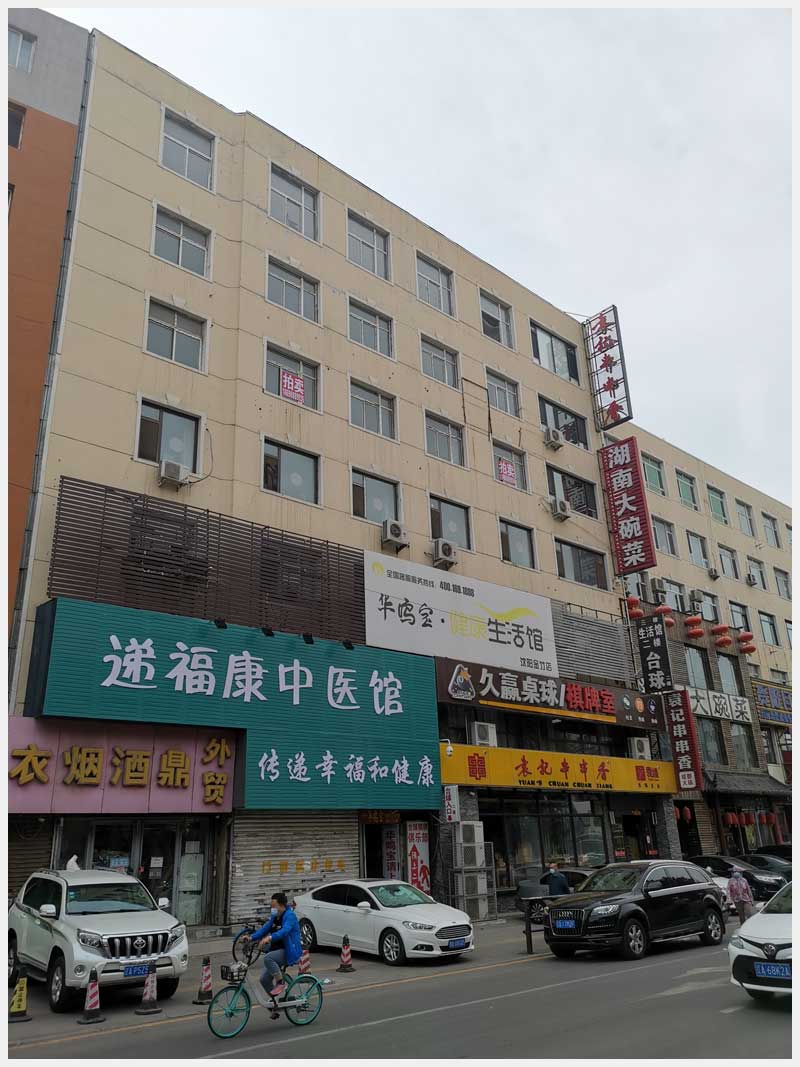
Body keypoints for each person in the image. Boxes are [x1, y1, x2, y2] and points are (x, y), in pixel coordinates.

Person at [250, 892, 302, 1000]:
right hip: (276, 950)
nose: (272, 909)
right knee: (264, 980)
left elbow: (284, 931)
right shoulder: (275, 917)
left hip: (289, 951)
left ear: (282, 905)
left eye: (274, 906)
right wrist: (251, 937)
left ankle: (280, 982)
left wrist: (269, 938)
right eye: (271, 906)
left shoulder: (290, 916)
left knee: (268, 958)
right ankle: (276, 1003)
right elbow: (265, 929)